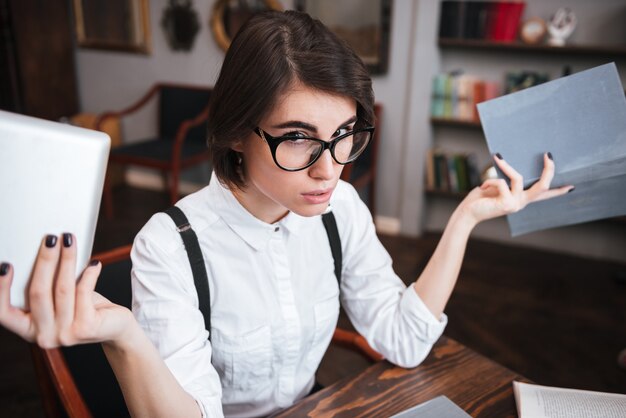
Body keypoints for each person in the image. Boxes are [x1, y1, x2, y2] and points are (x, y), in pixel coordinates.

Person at [0, 10, 574, 418]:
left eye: (345, 135)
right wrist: (125, 335)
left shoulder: (339, 207)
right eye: (299, 139)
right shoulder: (171, 246)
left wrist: (466, 218)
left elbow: (403, 340)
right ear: (236, 134)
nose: (331, 169)